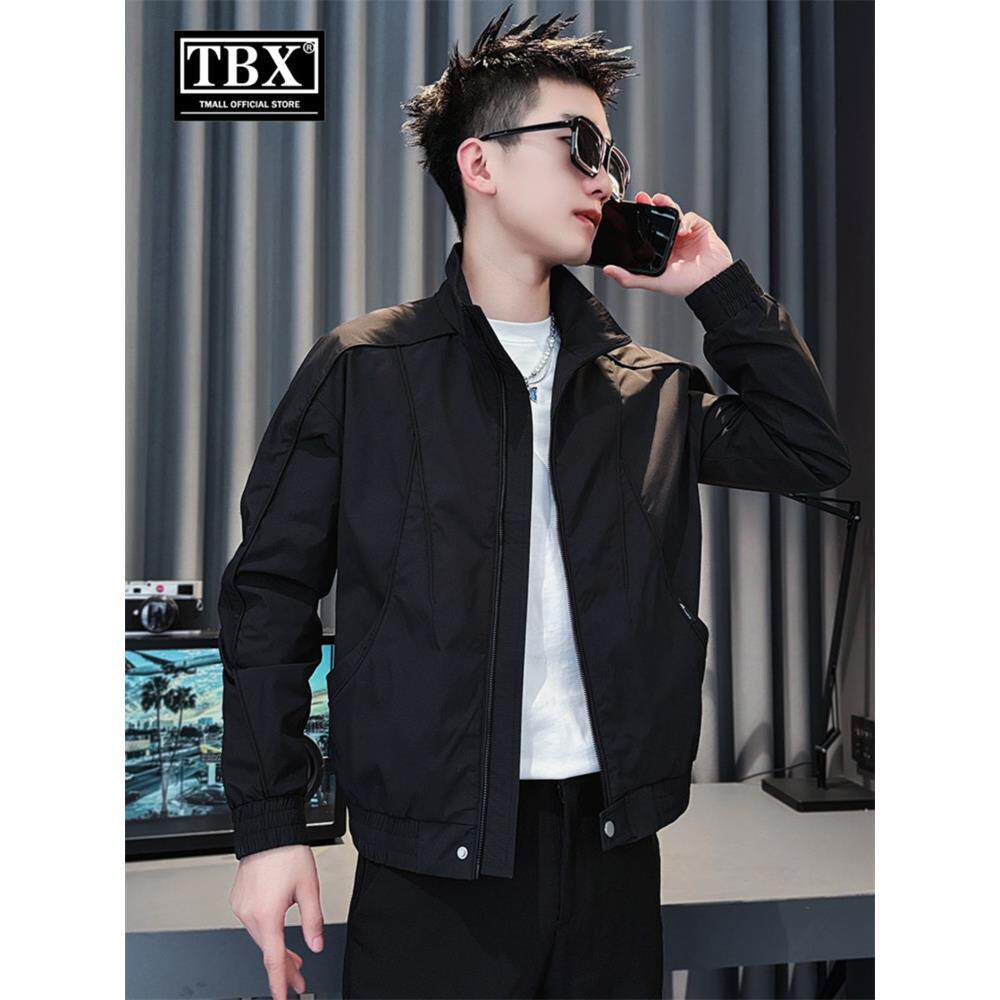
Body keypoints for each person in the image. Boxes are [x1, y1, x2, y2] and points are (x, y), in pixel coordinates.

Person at [219, 6, 852, 999]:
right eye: (580, 146)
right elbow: (269, 599)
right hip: (432, 871)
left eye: (613, 157)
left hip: (610, 849)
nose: (606, 181)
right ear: (479, 164)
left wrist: (716, 286)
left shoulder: (646, 388)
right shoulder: (366, 369)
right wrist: (267, 828)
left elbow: (809, 451)